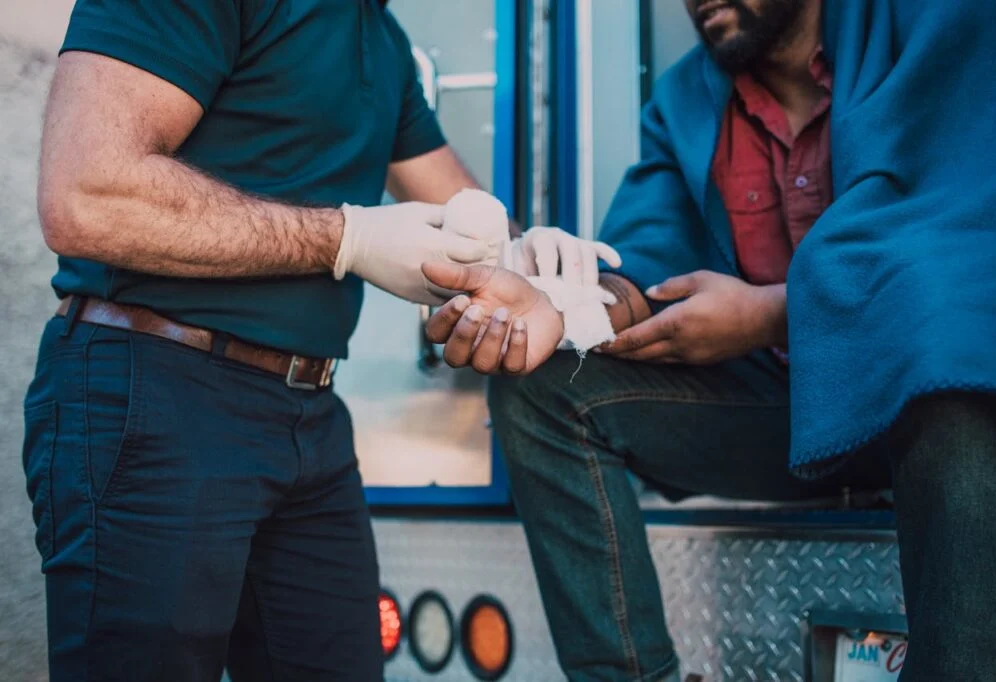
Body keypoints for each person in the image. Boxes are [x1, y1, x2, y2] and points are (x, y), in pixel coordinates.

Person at [423, 0, 996, 680]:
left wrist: (771, 315)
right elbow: (646, 269)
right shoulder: (684, 99)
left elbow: (972, 246)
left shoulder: (943, 23)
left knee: (957, 364)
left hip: (937, 401)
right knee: (542, 390)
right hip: (794, 422)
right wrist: (564, 311)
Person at [20, 1, 614, 680]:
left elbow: (466, 223)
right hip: (156, 392)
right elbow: (85, 195)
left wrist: (528, 261)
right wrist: (346, 238)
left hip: (309, 415)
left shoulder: (382, 38)